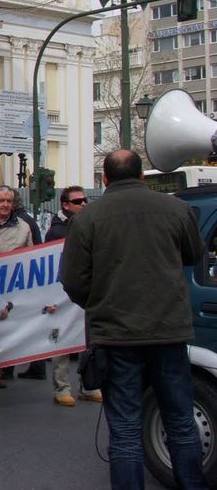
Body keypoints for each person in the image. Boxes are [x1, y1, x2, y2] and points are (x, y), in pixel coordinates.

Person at [62, 150, 207, 489]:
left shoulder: (87, 219)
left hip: (115, 335)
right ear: (142, 176)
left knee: (125, 428)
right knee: (180, 421)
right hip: (168, 331)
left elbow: (73, 280)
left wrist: (100, 304)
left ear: (104, 179)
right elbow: (194, 254)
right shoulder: (177, 209)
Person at [41, 185, 101, 407]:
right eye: (77, 201)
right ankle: (62, 387)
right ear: (65, 205)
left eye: (84, 200)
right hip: (62, 292)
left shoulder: (89, 224)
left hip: (85, 291)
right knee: (63, 341)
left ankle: (89, 385)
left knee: (88, 341)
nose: (83, 204)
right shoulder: (56, 231)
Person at [0, 185, 33, 388]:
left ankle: (1, 368)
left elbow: (31, 257)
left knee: (6, 326)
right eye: (1, 201)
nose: (5, 205)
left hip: (11, 285)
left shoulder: (24, 227)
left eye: (8, 201)